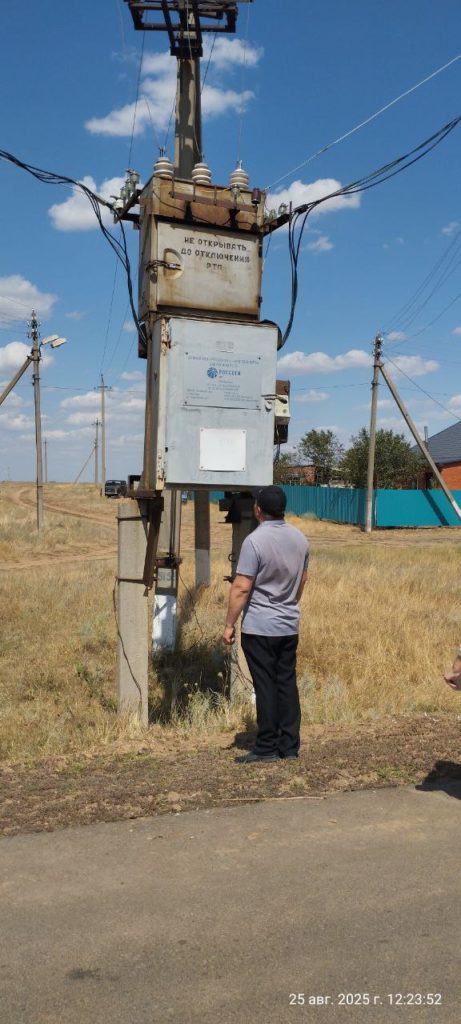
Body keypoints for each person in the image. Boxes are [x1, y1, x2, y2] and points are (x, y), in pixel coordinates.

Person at [222, 485, 309, 764]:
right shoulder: (300, 539)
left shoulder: (254, 541)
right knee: (286, 682)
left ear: (258, 510)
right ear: (282, 509)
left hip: (260, 626)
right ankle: (289, 745)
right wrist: (287, 605)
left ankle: (267, 746)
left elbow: (241, 587)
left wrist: (229, 624)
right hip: (288, 624)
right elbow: (302, 581)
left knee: (265, 685)